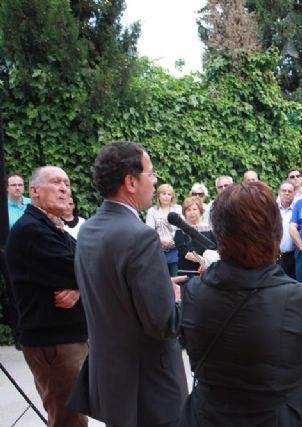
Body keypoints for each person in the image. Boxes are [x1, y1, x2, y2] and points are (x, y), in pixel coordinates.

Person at [179, 182, 302, 427]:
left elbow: (194, 354)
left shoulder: (195, 291)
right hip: (278, 418)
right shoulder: (297, 297)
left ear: (219, 234)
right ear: (273, 232)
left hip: (208, 415)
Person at [68, 141, 187, 427]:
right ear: (130, 182)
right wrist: (178, 299)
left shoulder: (89, 229)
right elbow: (163, 323)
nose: (155, 180)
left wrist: (156, 284)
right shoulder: (140, 236)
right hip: (148, 388)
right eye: (151, 173)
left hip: (110, 380)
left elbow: (112, 290)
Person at [6, 166, 88, 427]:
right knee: (68, 420)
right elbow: (83, 266)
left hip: (67, 338)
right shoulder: (32, 230)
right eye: (56, 182)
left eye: (67, 182)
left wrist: (77, 288)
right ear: (34, 191)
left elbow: (83, 265)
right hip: (54, 343)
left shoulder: (53, 226)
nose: (65, 188)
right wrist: (80, 279)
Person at [145, 183, 183, 276]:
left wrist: (172, 241)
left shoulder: (178, 209)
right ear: (158, 195)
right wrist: (161, 240)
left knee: (176, 277)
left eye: (169, 194)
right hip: (158, 251)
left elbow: (182, 228)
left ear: (172, 196)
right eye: (164, 194)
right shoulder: (152, 211)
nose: (166, 196)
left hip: (176, 250)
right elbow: (149, 231)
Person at [174, 196, 214, 277]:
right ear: (184, 212)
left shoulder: (209, 228)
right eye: (188, 210)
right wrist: (203, 261)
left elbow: (215, 249)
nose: (192, 213)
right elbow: (184, 252)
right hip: (187, 273)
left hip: (207, 273)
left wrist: (207, 262)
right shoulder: (180, 230)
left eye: (194, 209)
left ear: (200, 211)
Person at [277, 181, 297, 279]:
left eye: (290, 191)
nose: (287, 193)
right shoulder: (273, 209)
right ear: (279, 193)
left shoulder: (297, 210)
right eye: (284, 190)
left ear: (294, 193)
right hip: (275, 257)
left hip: (293, 257)